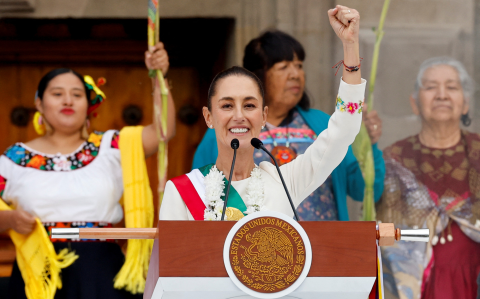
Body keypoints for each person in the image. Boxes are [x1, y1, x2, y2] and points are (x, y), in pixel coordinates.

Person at [0, 42, 175, 299]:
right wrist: (10, 220)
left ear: (88, 104)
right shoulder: (14, 158)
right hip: (38, 273)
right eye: (57, 94)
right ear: (39, 103)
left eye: (77, 94)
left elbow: (162, 132)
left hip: (100, 271)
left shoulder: (112, 146)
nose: (68, 100)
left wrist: (158, 77)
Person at [160, 5, 365, 221]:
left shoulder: (286, 182)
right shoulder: (181, 192)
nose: (239, 115)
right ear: (208, 117)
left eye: (249, 105)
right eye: (227, 106)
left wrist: (350, 46)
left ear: (264, 116)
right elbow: (172, 255)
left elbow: (345, 128)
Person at [192, 30, 385, 221]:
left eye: (299, 65)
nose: (295, 74)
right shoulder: (224, 133)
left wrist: (368, 148)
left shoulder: (322, 124)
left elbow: (365, 190)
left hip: (322, 247)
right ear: (258, 75)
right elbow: (201, 199)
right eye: (284, 66)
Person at [376, 57, 480, 299]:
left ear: (465, 103)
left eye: (452, 87)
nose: (442, 95)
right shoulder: (393, 159)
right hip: (414, 286)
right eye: (431, 86)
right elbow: (383, 234)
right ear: (415, 103)